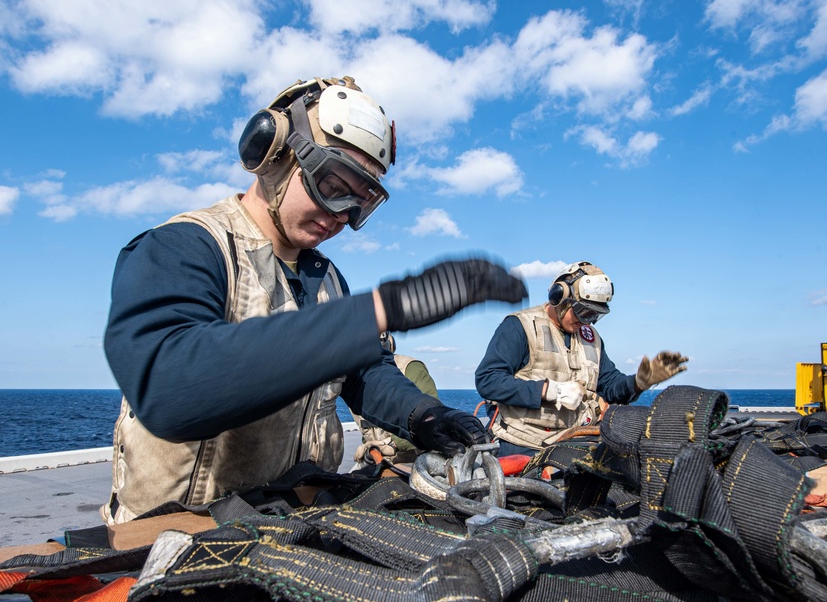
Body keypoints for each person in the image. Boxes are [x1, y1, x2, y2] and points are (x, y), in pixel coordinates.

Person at [102, 75, 527, 524]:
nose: (341, 215)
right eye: (332, 184)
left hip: (289, 527)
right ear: (273, 153)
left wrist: (423, 416)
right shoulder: (182, 248)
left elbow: (362, 373)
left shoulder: (325, 278)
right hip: (179, 534)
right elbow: (170, 388)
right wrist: (387, 307)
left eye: (359, 203)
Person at [475, 261, 688, 456]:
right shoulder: (520, 327)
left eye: (595, 316)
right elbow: (488, 380)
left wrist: (639, 383)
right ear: (559, 297)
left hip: (573, 440)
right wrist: (549, 391)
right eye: (583, 312)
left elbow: (610, 386)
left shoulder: (591, 339)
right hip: (523, 442)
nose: (588, 322)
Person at [351, 332, 438, 466]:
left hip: (414, 460)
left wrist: (394, 444)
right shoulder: (354, 379)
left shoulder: (410, 369)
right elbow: (367, 429)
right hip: (376, 458)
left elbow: (431, 420)